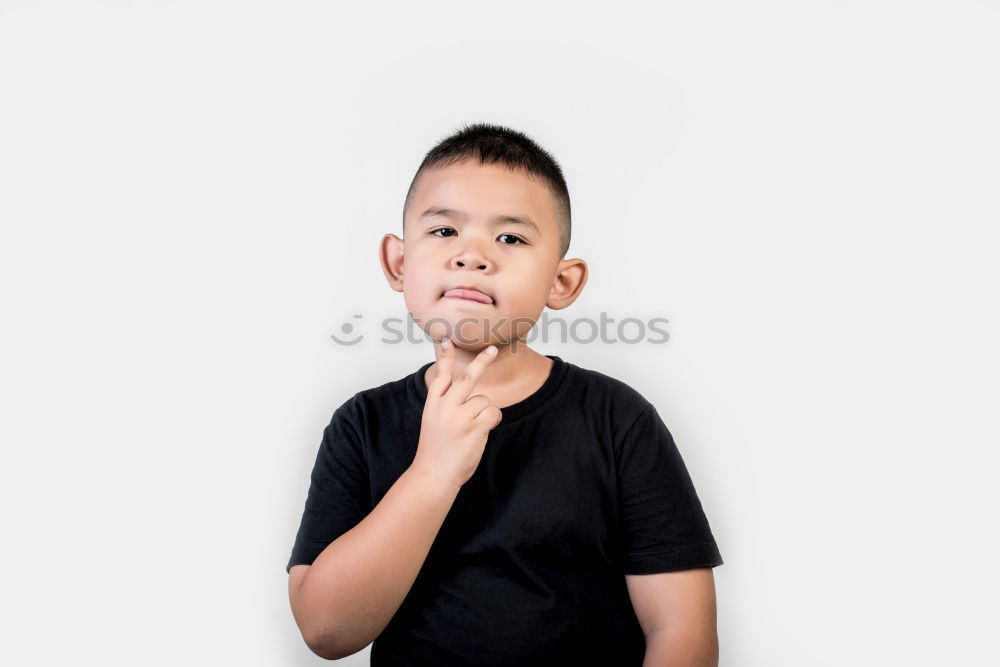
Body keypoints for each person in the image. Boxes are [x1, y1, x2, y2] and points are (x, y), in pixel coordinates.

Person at [286, 122, 724, 665]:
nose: (472, 256)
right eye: (444, 231)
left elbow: (680, 627)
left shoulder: (618, 420)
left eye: (510, 237)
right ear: (399, 262)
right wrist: (433, 473)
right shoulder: (362, 424)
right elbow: (326, 631)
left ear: (561, 283)